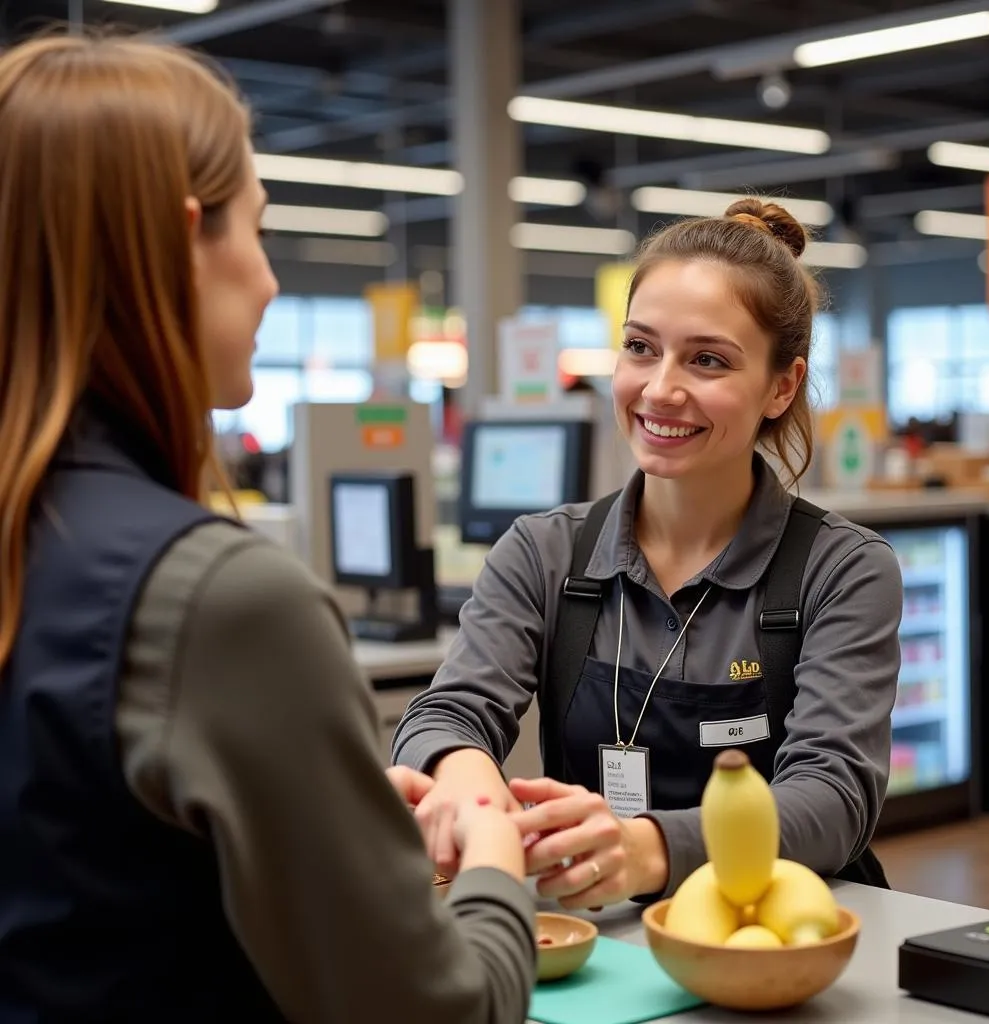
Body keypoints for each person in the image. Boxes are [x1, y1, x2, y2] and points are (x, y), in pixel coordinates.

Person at [0, 34, 534, 1024]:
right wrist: (496, 865)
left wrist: (321, 821)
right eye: (259, 228)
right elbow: (435, 1014)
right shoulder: (218, 598)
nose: (272, 281)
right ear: (177, 242)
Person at [393, 198, 903, 910]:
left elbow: (832, 800)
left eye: (707, 360)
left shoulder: (840, 570)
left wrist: (645, 850)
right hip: (595, 934)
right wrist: (463, 781)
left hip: (770, 941)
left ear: (781, 386)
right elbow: (447, 712)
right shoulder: (544, 554)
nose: (660, 389)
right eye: (640, 347)